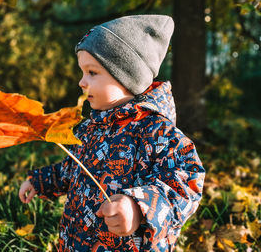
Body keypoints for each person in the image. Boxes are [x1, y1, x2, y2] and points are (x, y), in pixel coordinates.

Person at [19, 14, 205, 252]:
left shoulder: (156, 132)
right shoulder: (89, 129)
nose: (82, 82)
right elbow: (70, 169)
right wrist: (40, 182)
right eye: (82, 72)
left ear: (126, 76)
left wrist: (139, 208)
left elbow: (186, 183)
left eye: (92, 72)